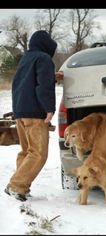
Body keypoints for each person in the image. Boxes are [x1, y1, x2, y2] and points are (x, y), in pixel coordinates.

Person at [4, 30, 64, 201]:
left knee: (26, 152)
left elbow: (27, 82)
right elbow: (42, 87)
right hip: (35, 114)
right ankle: (16, 186)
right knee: (38, 153)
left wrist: (52, 77)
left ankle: (22, 186)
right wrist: (49, 109)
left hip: (20, 112)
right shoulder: (44, 59)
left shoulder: (26, 58)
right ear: (46, 45)